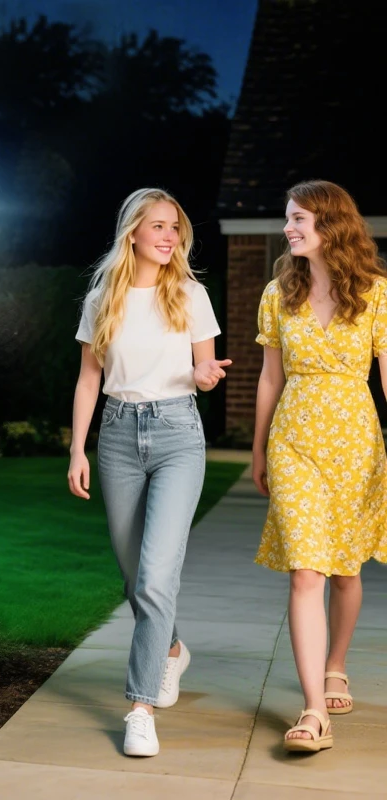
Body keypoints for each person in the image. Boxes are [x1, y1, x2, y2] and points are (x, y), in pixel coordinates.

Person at [67, 187, 229, 757]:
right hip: (114, 437)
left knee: (157, 576)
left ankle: (139, 709)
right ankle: (171, 649)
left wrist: (206, 377)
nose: (169, 237)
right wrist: (77, 450)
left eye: (175, 228)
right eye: (158, 226)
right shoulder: (102, 299)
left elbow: (204, 366)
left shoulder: (190, 293)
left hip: (177, 435)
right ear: (132, 231)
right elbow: (89, 380)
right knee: (135, 573)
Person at [252, 179, 387, 754]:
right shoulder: (277, 294)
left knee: (346, 569)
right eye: (288, 218)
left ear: (331, 224)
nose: (289, 228)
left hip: (356, 444)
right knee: (306, 569)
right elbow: (270, 378)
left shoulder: (378, 294)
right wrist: (259, 449)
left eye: (299, 218)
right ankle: (313, 712)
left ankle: (337, 663)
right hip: (294, 444)